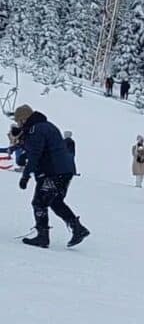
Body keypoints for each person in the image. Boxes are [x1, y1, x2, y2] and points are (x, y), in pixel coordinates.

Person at [14, 105, 90, 249]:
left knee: (39, 202)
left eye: (19, 121)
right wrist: (24, 155)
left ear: (24, 119)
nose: (18, 124)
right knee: (55, 201)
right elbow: (44, 149)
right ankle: (78, 229)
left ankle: (42, 237)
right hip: (64, 171)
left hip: (53, 172)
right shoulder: (46, 126)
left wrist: (25, 176)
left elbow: (36, 154)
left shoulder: (36, 129)